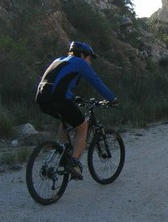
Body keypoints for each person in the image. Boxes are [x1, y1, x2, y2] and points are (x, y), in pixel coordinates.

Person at [35, 41, 118, 180]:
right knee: (82, 127)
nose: (90, 61)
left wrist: (73, 98)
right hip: (59, 99)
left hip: (42, 99)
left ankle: (63, 151)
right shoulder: (80, 63)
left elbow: (58, 82)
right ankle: (73, 162)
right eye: (90, 57)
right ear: (82, 55)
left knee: (65, 122)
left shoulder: (59, 60)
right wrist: (112, 98)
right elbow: (96, 81)